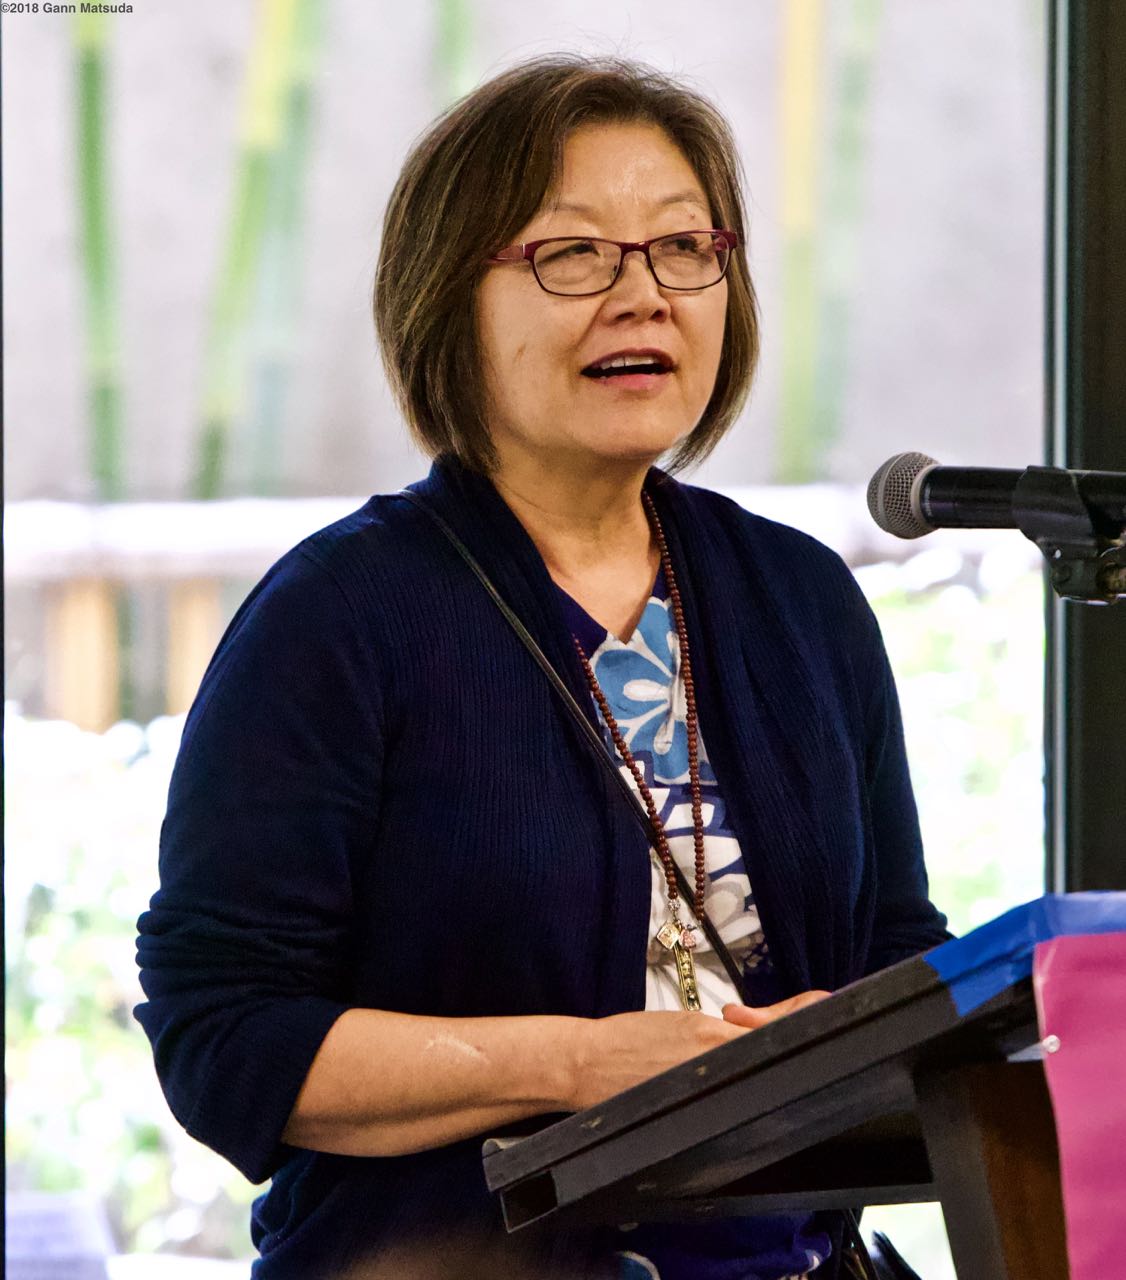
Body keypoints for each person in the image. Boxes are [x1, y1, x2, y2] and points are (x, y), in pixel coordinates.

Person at [135, 54, 950, 1280]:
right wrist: (576, 1063)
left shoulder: (801, 597)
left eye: (683, 247)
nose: (643, 296)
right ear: (447, 297)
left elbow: (893, 945)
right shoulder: (337, 617)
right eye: (574, 255)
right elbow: (227, 1033)